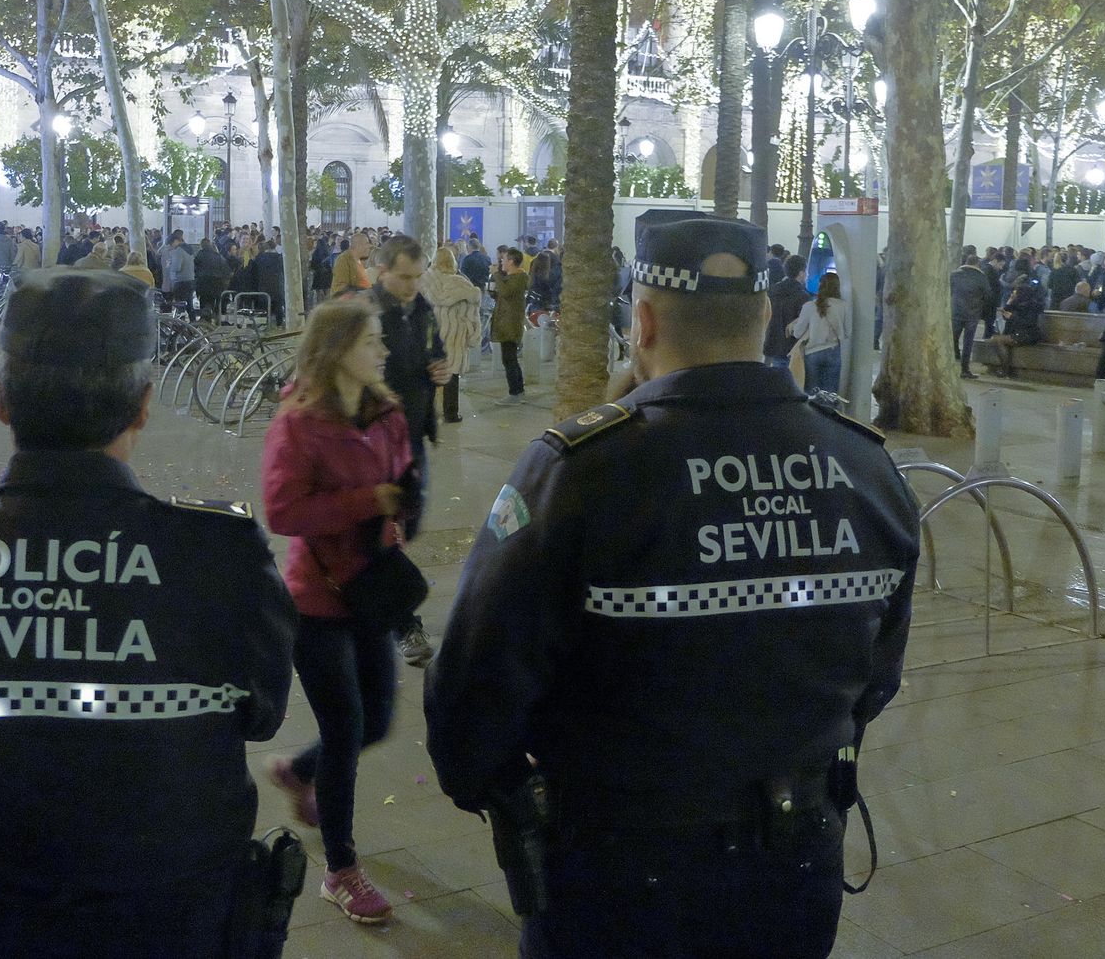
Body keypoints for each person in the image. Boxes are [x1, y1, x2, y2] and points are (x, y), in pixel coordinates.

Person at [424, 215, 918, 959]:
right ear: (766, 317)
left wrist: (505, 790)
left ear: (643, 320)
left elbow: (471, 688)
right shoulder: (867, 465)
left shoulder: (581, 468)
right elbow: (877, 679)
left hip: (618, 875)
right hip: (796, 859)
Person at [0, 266, 297, 958]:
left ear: (4, 401)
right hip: (172, 926)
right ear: (142, 407)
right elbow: (262, 714)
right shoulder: (218, 556)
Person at [260, 299, 415, 926]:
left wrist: (401, 510)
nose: (382, 350)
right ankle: (341, 870)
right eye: (371, 340)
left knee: (377, 721)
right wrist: (364, 502)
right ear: (338, 349)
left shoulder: (386, 412)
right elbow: (283, 513)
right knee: (347, 728)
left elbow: (403, 480)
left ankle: (298, 770)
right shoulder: (298, 422)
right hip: (317, 598)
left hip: (371, 591)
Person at [369, 235, 448, 667]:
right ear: (382, 272)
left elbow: (436, 351)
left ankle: (376, 598)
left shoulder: (422, 310)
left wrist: (440, 368)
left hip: (412, 436)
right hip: (375, 443)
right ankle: (404, 625)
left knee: (407, 525)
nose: (412, 285)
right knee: (387, 534)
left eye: (418, 277)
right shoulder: (364, 313)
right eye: (404, 277)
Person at [421, 247, 482, 424]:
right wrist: (472, 335)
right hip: (455, 333)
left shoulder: (425, 280)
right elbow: (472, 314)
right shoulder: (462, 284)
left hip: (431, 332)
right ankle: (451, 413)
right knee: (452, 373)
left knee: (431, 372)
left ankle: (427, 412)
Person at [792, 271, 849, 395]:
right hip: (834, 352)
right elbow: (848, 332)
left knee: (811, 394)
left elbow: (797, 333)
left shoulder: (809, 306)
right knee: (830, 395)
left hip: (812, 353)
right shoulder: (844, 306)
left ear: (819, 286)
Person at [986, 260, 1044, 379]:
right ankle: (1006, 370)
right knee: (999, 340)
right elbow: (1005, 313)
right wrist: (1009, 301)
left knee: (996, 340)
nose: (1013, 294)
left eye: (1015, 293)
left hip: (1027, 335)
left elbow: (1028, 323)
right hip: (1017, 333)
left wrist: (1012, 317)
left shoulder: (1031, 306)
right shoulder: (1017, 303)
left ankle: (1005, 370)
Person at [493, 248, 529, 399]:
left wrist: (496, 275)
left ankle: (515, 393)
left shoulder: (519, 277)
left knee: (509, 359)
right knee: (509, 358)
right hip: (505, 323)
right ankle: (518, 390)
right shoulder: (511, 277)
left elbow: (507, 292)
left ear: (511, 261)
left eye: (504, 259)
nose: (501, 261)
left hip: (510, 324)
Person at [950, 250, 991, 379]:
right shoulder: (981, 277)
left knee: (952, 340)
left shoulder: (954, 275)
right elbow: (988, 295)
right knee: (968, 343)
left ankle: (948, 366)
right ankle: (964, 369)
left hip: (955, 311)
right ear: (978, 264)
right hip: (972, 313)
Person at [764, 254, 809, 368]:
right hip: (791, 347)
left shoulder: (773, 290)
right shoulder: (802, 296)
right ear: (801, 273)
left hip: (772, 342)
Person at [161, 230, 196, 312]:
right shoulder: (189, 249)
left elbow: (176, 268)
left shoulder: (178, 251)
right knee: (189, 304)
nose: (171, 246)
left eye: (171, 244)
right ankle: (193, 322)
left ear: (176, 241)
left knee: (180, 306)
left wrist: (170, 264)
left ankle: (180, 323)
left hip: (180, 281)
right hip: (190, 279)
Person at [330, 231, 372, 298]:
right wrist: (363, 292)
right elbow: (340, 287)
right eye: (366, 244)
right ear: (358, 245)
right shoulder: (343, 260)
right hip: (347, 306)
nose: (369, 246)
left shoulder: (361, 260)